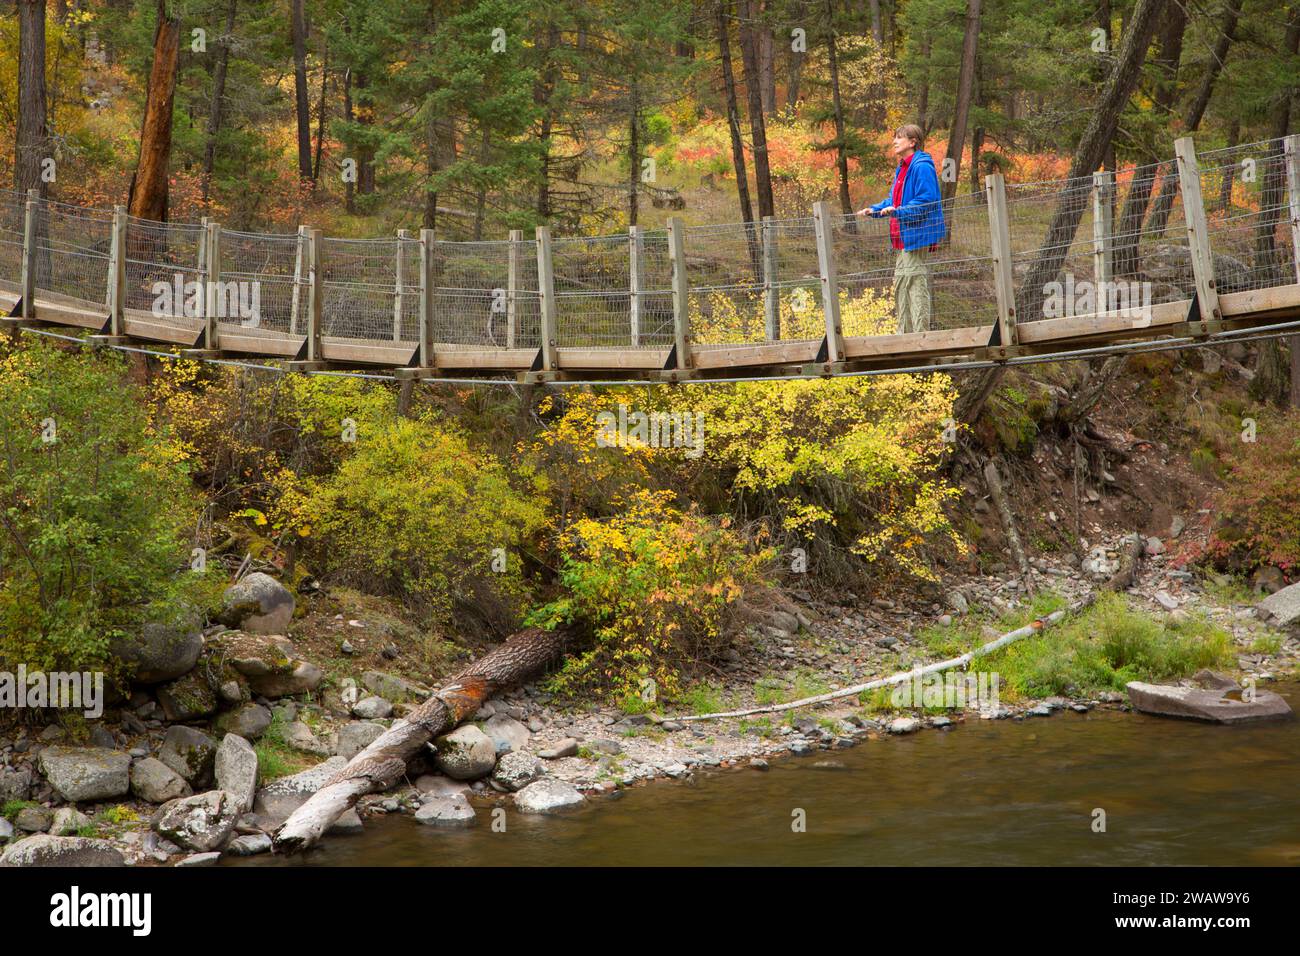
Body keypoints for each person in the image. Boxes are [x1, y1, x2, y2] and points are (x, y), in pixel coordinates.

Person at [857, 124, 946, 334]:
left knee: (915, 282)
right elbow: (894, 200)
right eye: (894, 138)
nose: (894, 141)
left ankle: (919, 334)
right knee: (901, 283)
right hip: (904, 237)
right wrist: (876, 210)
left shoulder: (921, 166)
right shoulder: (903, 167)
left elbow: (927, 200)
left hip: (917, 234)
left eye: (899, 138)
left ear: (912, 141)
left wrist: (899, 211)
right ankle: (904, 334)